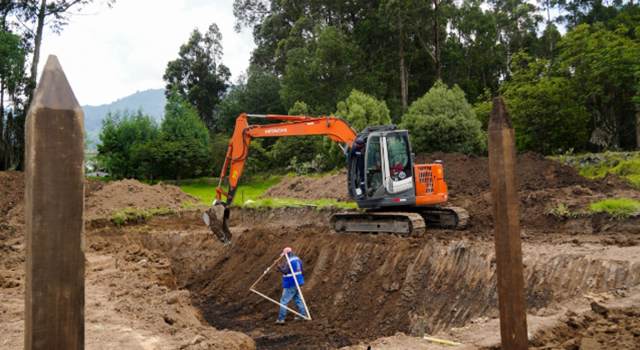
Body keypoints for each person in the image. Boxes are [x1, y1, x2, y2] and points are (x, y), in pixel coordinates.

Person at [275, 247, 308, 324]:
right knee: (298, 299)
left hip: (291, 283)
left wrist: (279, 267)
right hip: (299, 282)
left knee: (283, 301)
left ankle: (281, 319)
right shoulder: (298, 260)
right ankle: (303, 315)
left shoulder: (289, 261)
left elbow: (285, 271)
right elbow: (301, 270)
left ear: (287, 254)